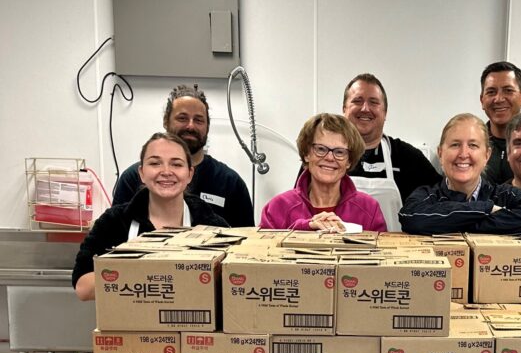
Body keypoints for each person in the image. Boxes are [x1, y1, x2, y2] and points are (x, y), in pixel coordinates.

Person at [73, 132, 228, 300]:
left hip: (194, 324)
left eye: (176, 164)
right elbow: (83, 287)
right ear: (141, 173)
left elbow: (230, 285)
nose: (166, 171)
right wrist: (151, 274)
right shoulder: (114, 222)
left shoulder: (214, 226)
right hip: (132, 324)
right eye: (155, 163)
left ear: (189, 174)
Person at [112, 84, 254, 228]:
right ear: (166, 122)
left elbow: (248, 244)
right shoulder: (132, 180)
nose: (190, 126)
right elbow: (114, 235)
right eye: (182, 118)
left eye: (198, 120)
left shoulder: (230, 183)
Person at [398, 113, 521, 235]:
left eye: (473, 145)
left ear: (487, 155)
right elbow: (411, 218)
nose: (463, 153)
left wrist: (452, 222)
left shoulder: (504, 195)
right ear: (440, 154)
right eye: (455, 145)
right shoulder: (426, 196)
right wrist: (487, 209)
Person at [342, 73, 440, 230]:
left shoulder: (408, 158)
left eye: (374, 102)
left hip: (397, 252)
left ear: (385, 112)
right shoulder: (326, 157)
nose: (365, 108)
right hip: (339, 252)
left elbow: (439, 203)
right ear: (344, 109)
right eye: (357, 101)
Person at [260, 113, 386, 232]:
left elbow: (383, 253)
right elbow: (261, 251)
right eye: (320, 149)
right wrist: (305, 228)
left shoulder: (369, 209)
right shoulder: (277, 208)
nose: (330, 158)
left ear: (349, 161)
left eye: (339, 152)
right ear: (306, 154)